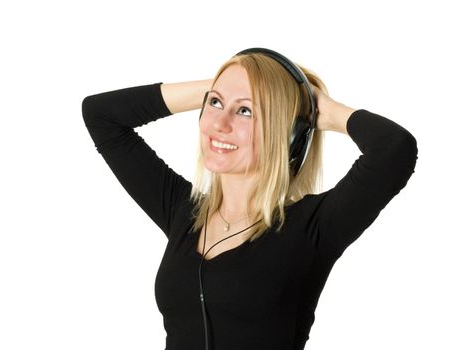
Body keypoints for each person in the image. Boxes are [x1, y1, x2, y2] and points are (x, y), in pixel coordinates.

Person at [81, 49, 418, 350]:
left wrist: (311, 107)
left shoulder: (314, 229)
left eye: (245, 111)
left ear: (287, 131)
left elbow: (394, 149)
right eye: (214, 104)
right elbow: (101, 115)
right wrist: (226, 85)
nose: (219, 124)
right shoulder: (183, 212)